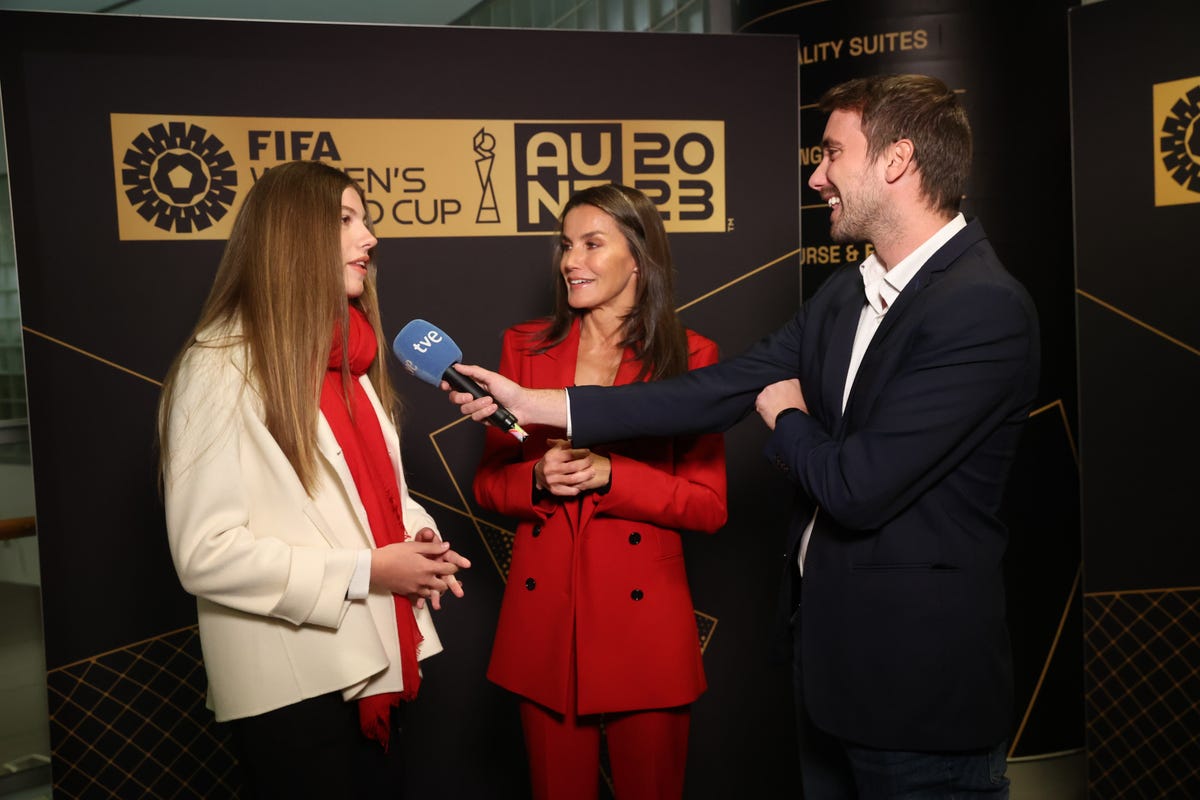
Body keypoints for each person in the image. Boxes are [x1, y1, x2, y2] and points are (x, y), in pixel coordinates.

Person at [447, 75, 1039, 799]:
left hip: (919, 689)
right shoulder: (847, 294)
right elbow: (718, 389)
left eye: (830, 153)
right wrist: (542, 404)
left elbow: (858, 488)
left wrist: (786, 417)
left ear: (897, 160)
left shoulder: (982, 307)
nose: (816, 174)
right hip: (828, 676)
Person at [158, 160, 470, 799]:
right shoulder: (219, 365)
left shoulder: (349, 359)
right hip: (292, 687)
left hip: (379, 661)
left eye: (366, 219)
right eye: (346, 220)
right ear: (294, 236)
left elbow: (373, 497)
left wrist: (420, 542)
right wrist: (369, 571)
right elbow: (204, 553)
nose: (370, 238)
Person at [475, 184, 727, 799]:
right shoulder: (525, 347)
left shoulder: (691, 356)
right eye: (566, 245)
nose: (570, 261)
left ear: (637, 257)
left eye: (592, 244)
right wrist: (535, 478)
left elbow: (709, 506)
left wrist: (616, 475)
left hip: (646, 632)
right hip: (547, 631)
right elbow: (487, 486)